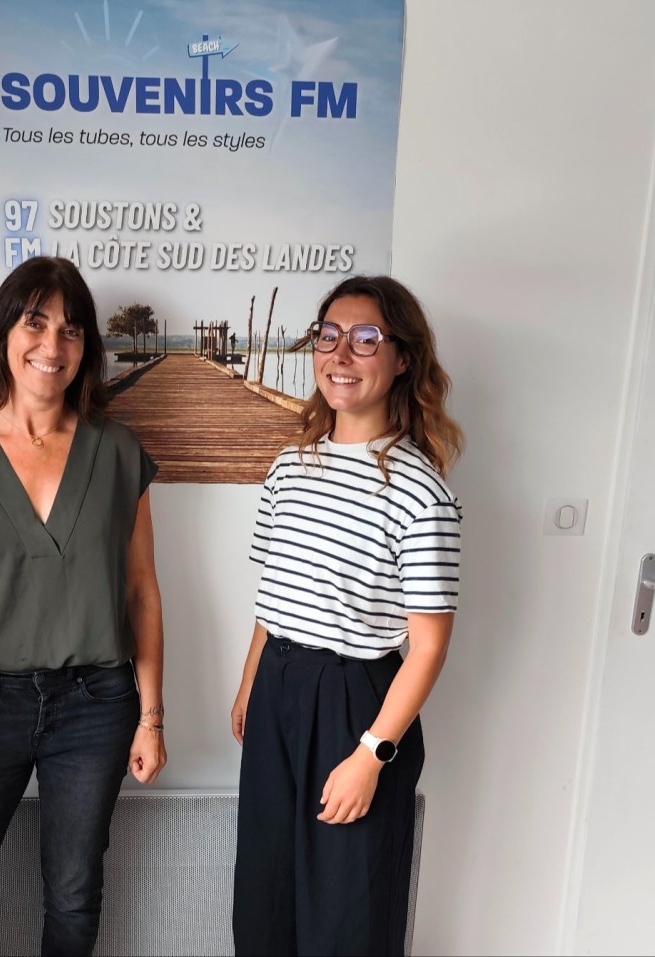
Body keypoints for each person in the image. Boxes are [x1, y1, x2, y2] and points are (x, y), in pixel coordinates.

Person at [0, 256, 166, 957]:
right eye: (35, 323)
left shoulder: (118, 452)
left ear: (86, 347)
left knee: (74, 898)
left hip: (96, 703)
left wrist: (150, 716)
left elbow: (141, 591)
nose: (52, 344)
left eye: (71, 329)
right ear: (2, 333)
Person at [231, 275, 463, 957]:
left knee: (347, 911)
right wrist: (249, 685)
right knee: (265, 890)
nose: (340, 354)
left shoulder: (421, 491)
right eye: (327, 336)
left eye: (365, 339)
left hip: (356, 701)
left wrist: (371, 754)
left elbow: (427, 647)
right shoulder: (288, 466)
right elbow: (273, 597)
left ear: (402, 358)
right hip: (277, 686)